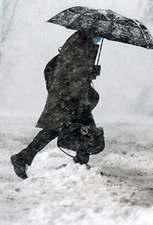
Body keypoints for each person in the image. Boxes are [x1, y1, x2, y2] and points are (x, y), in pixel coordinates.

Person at [10, 30, 101, 179]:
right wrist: (88, 73)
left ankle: (24, 157)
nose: (100, 38)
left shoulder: (82, 42)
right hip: (69, 96)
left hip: (68, 95)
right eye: (99, 34)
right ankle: (80, 165)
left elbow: (74, 71)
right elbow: (74, 73)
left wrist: (90, 72)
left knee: (58, 129)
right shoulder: (80, 44)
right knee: (84, 128)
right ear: (92, 31)